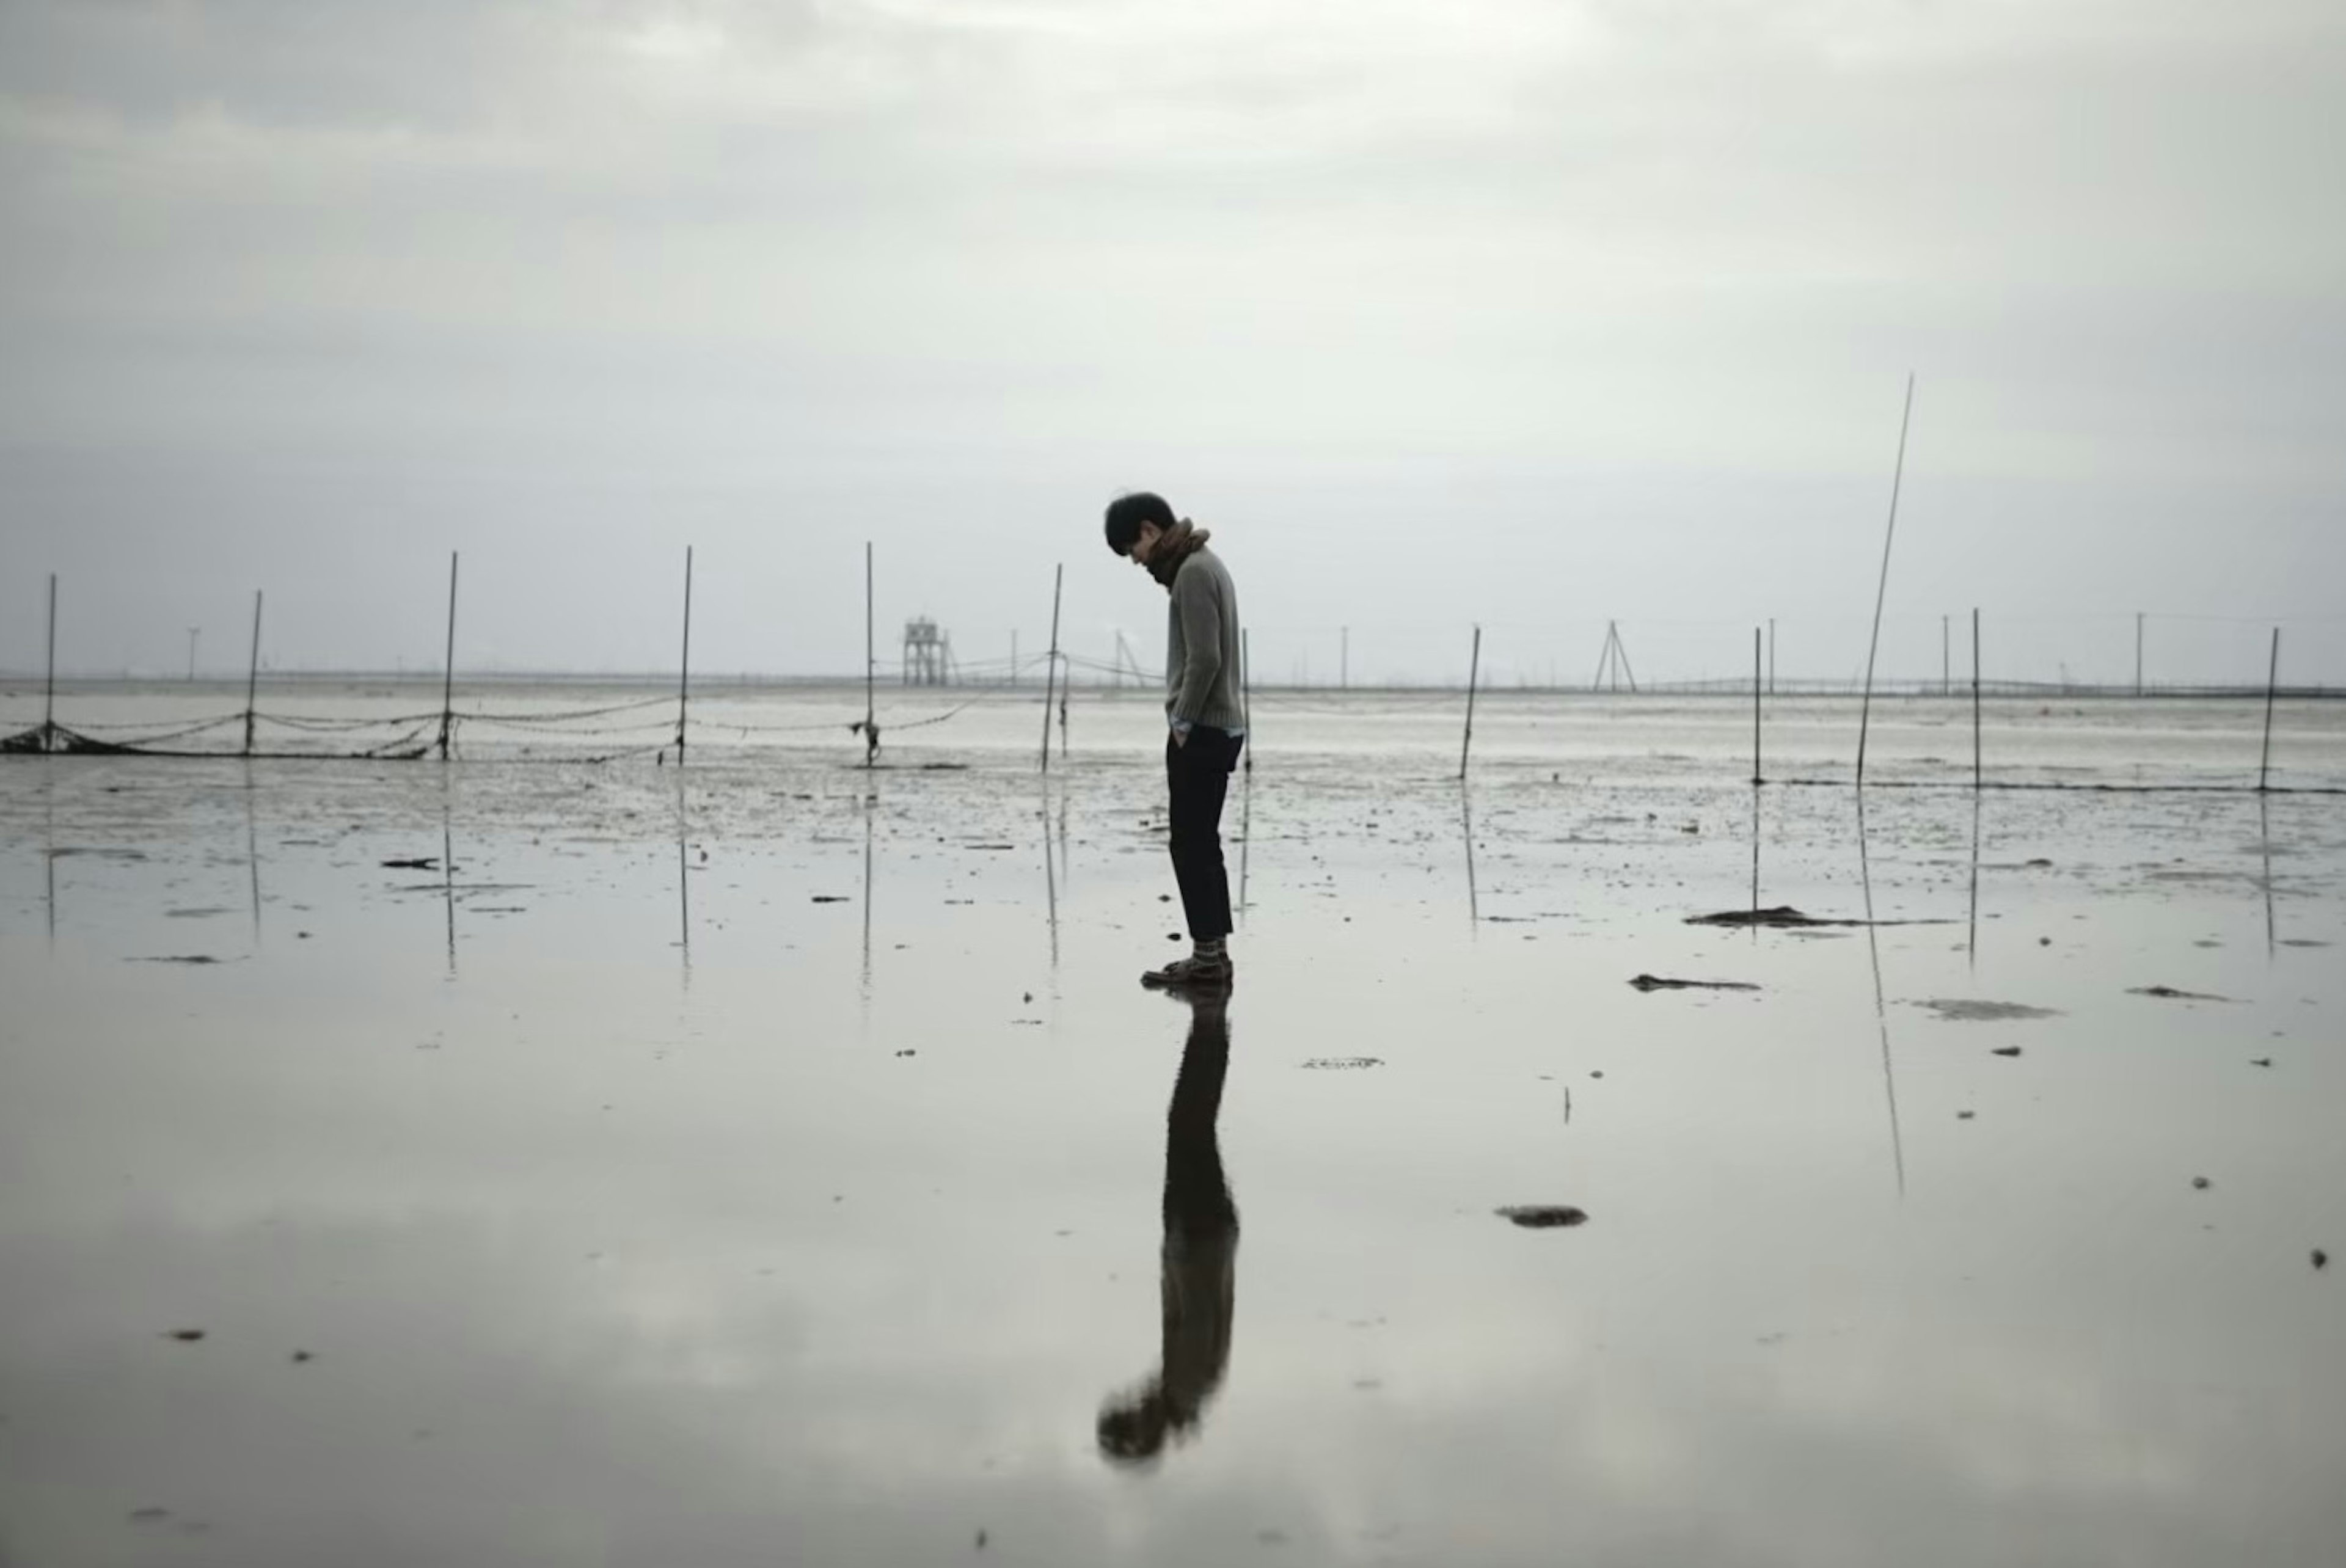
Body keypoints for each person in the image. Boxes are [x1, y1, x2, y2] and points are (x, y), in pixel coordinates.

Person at [1103, 492, 1244, 990]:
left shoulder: (1193, 573)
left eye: (1131, 549)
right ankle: (1212, 955)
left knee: (1191, 844)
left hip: (1203, 728)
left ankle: (1208, 959)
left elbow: (1205, 659)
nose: (1135, 561)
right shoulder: (1200, 565)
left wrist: (1182, 723)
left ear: (1149, 530)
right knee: (1202, 843)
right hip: (1215, 725)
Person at [1097, 988, 1238, 1465]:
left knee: (1189, 1125)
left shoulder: (1188, 1385)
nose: (1132, 1396)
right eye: (1130, 1410)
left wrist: (1178, 1244)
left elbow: (1195, 1307)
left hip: (1200, 1237)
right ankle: (1211, 1030)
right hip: (1201, 1238)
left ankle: (1211, 1030)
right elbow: (1197, 1305)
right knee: (1189, 1125)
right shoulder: (1188, 1383)